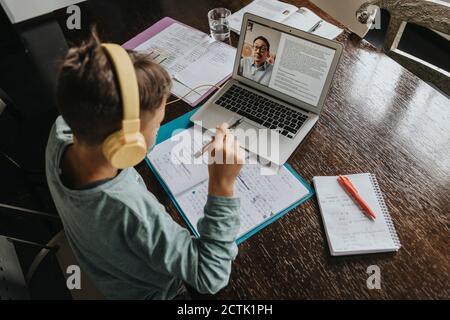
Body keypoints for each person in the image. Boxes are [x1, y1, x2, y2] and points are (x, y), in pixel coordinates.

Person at [45, 31, 244, 299]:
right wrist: (222, 186)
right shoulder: (131, 213)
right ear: (126, 143)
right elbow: (210, 277)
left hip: (102, 266)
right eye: (157, 124)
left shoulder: (62, 131)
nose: (157, 129)